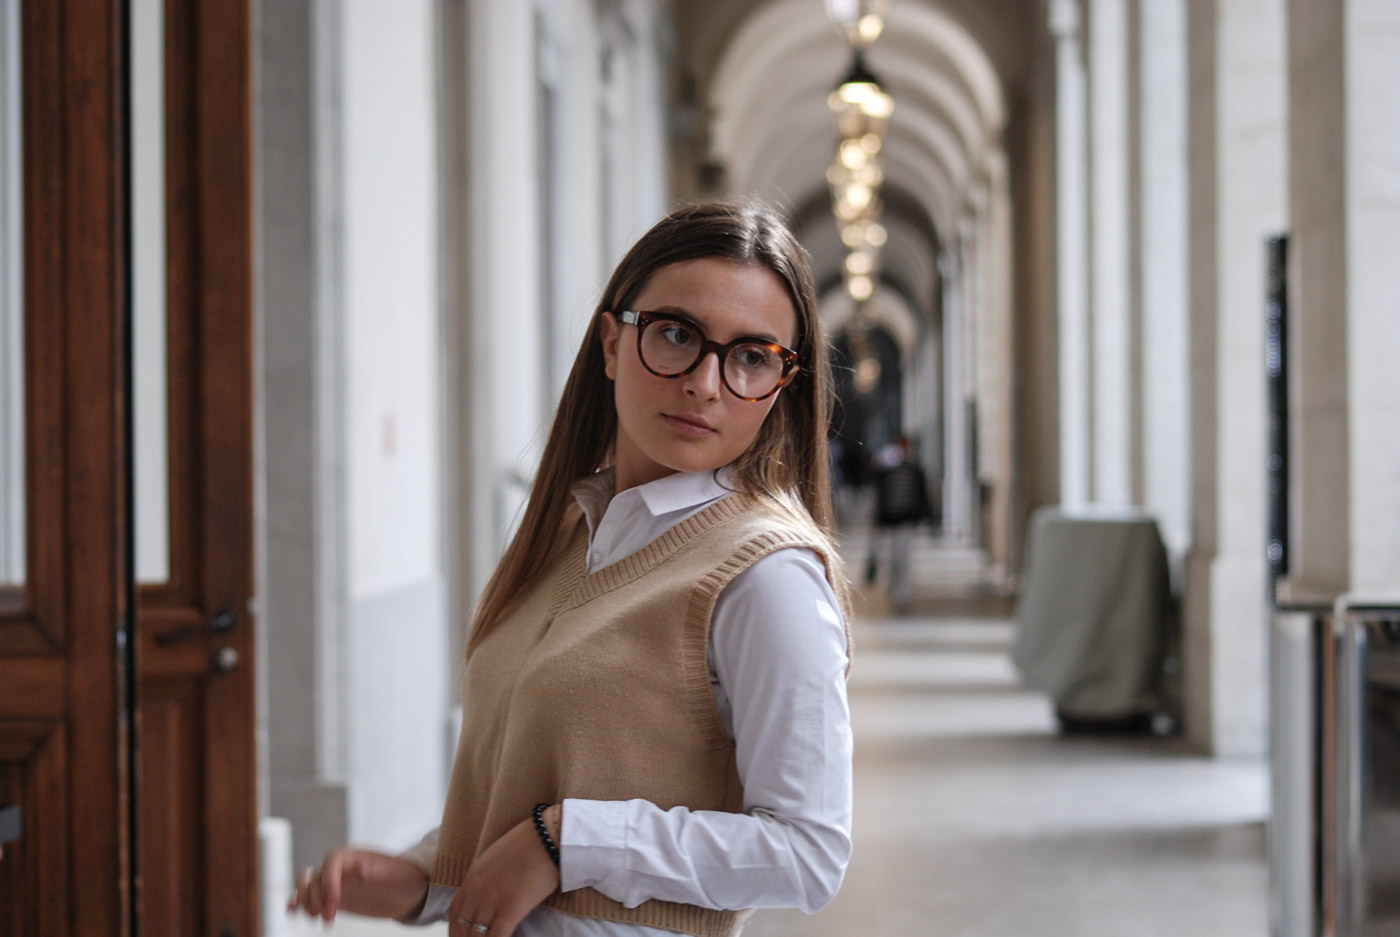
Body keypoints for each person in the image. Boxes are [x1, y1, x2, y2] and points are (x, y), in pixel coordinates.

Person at [288, 199, 854, 937]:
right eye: (676, 334)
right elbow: (544, 780)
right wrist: (424, 878)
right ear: (612, 344)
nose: (705, 384)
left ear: (782, 385)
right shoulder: (564, 533)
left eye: (751, 356)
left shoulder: (765, 575)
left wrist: (569, 840)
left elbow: (808, 853)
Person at [866, 435, 934, 612]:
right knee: (894, 556)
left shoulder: (914, 471)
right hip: (890, 519)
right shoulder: (887, 472)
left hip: (906, 519)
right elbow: (880, 497)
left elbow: (922, 495)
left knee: (902, 555)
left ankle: (902, 589)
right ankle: (896, 587)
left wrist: (927, 516)